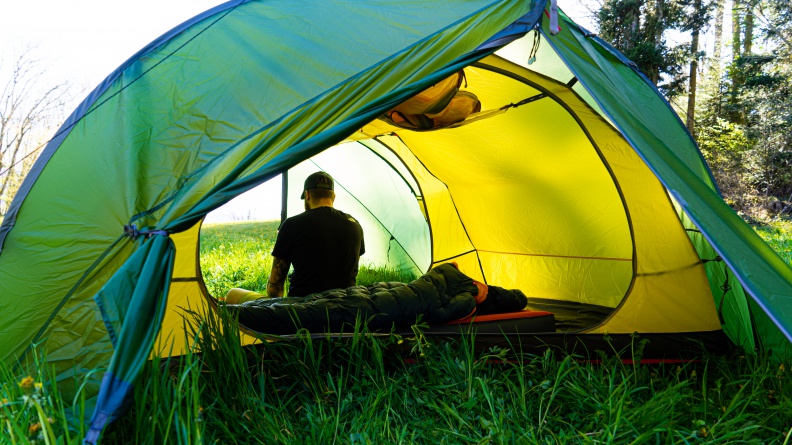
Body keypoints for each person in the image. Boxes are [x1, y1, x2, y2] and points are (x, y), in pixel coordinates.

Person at [266, 171, 365, 297]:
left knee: (234, 294)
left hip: (304, 310)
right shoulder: (355, 225)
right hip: (345, 308)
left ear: (307, 195)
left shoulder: (292, 224)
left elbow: (274, 288)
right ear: (333, 196)